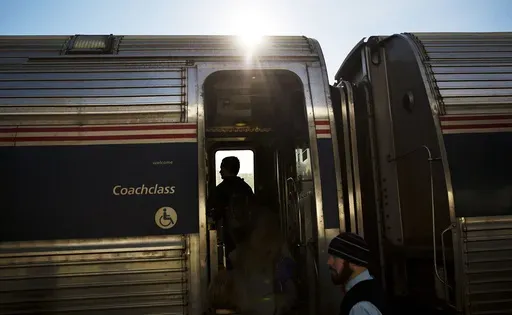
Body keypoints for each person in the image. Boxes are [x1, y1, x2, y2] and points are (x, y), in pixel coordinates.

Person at [207, 156, 254, 269]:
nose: (220, 171)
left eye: (221, 168)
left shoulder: (219, 190)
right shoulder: (246, 188)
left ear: (226, 169)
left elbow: (212, 212)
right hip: (247, 235)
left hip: (228, 235)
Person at [327, 232, 386, 315]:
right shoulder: (369, 287)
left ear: (353, 262)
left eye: (335, 257)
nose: (329, 262)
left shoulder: (360, 306)